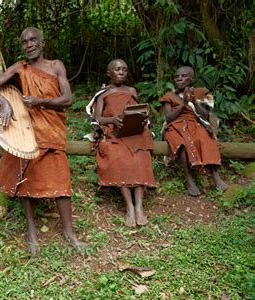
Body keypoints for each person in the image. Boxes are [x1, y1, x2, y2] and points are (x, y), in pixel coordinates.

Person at [0, 27, 83, 255]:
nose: (29, 44)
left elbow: (67, 99)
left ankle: (69, 232)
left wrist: (39, 101)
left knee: (61, 180)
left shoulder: (56, 66)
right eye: (24, 41)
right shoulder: (20, 67)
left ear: (42, 42)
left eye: (33, 40)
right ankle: (32, 233)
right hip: (27, 130)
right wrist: (5, 103)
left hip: (51, 129)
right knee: (26, 179)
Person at [92, 59, 156, 227]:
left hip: (134, 131)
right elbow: (98, 118)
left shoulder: (131, 90)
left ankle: (139, 207)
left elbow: (138, 110)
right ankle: (129, 207)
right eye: (117, 69)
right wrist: (113, 119)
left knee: (141, 155)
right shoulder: (103, 93)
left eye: (125, 70)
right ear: (109, 73)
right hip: (114, 132)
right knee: (118, 156)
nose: (121, 72)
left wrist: (142, 119)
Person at [160, 66, 228, 196]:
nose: (179, 79)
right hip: (175, 126)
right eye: (177, 77)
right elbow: (168, 118)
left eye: (183, 76)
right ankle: (189, 179)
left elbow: (205, 116)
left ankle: (215, 176)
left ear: (191, 79)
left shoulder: (200, 93)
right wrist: (183, 103)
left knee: (206, 138)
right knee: (182, 143)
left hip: (194, 124)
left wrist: (194, 102)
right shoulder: (169, 96)